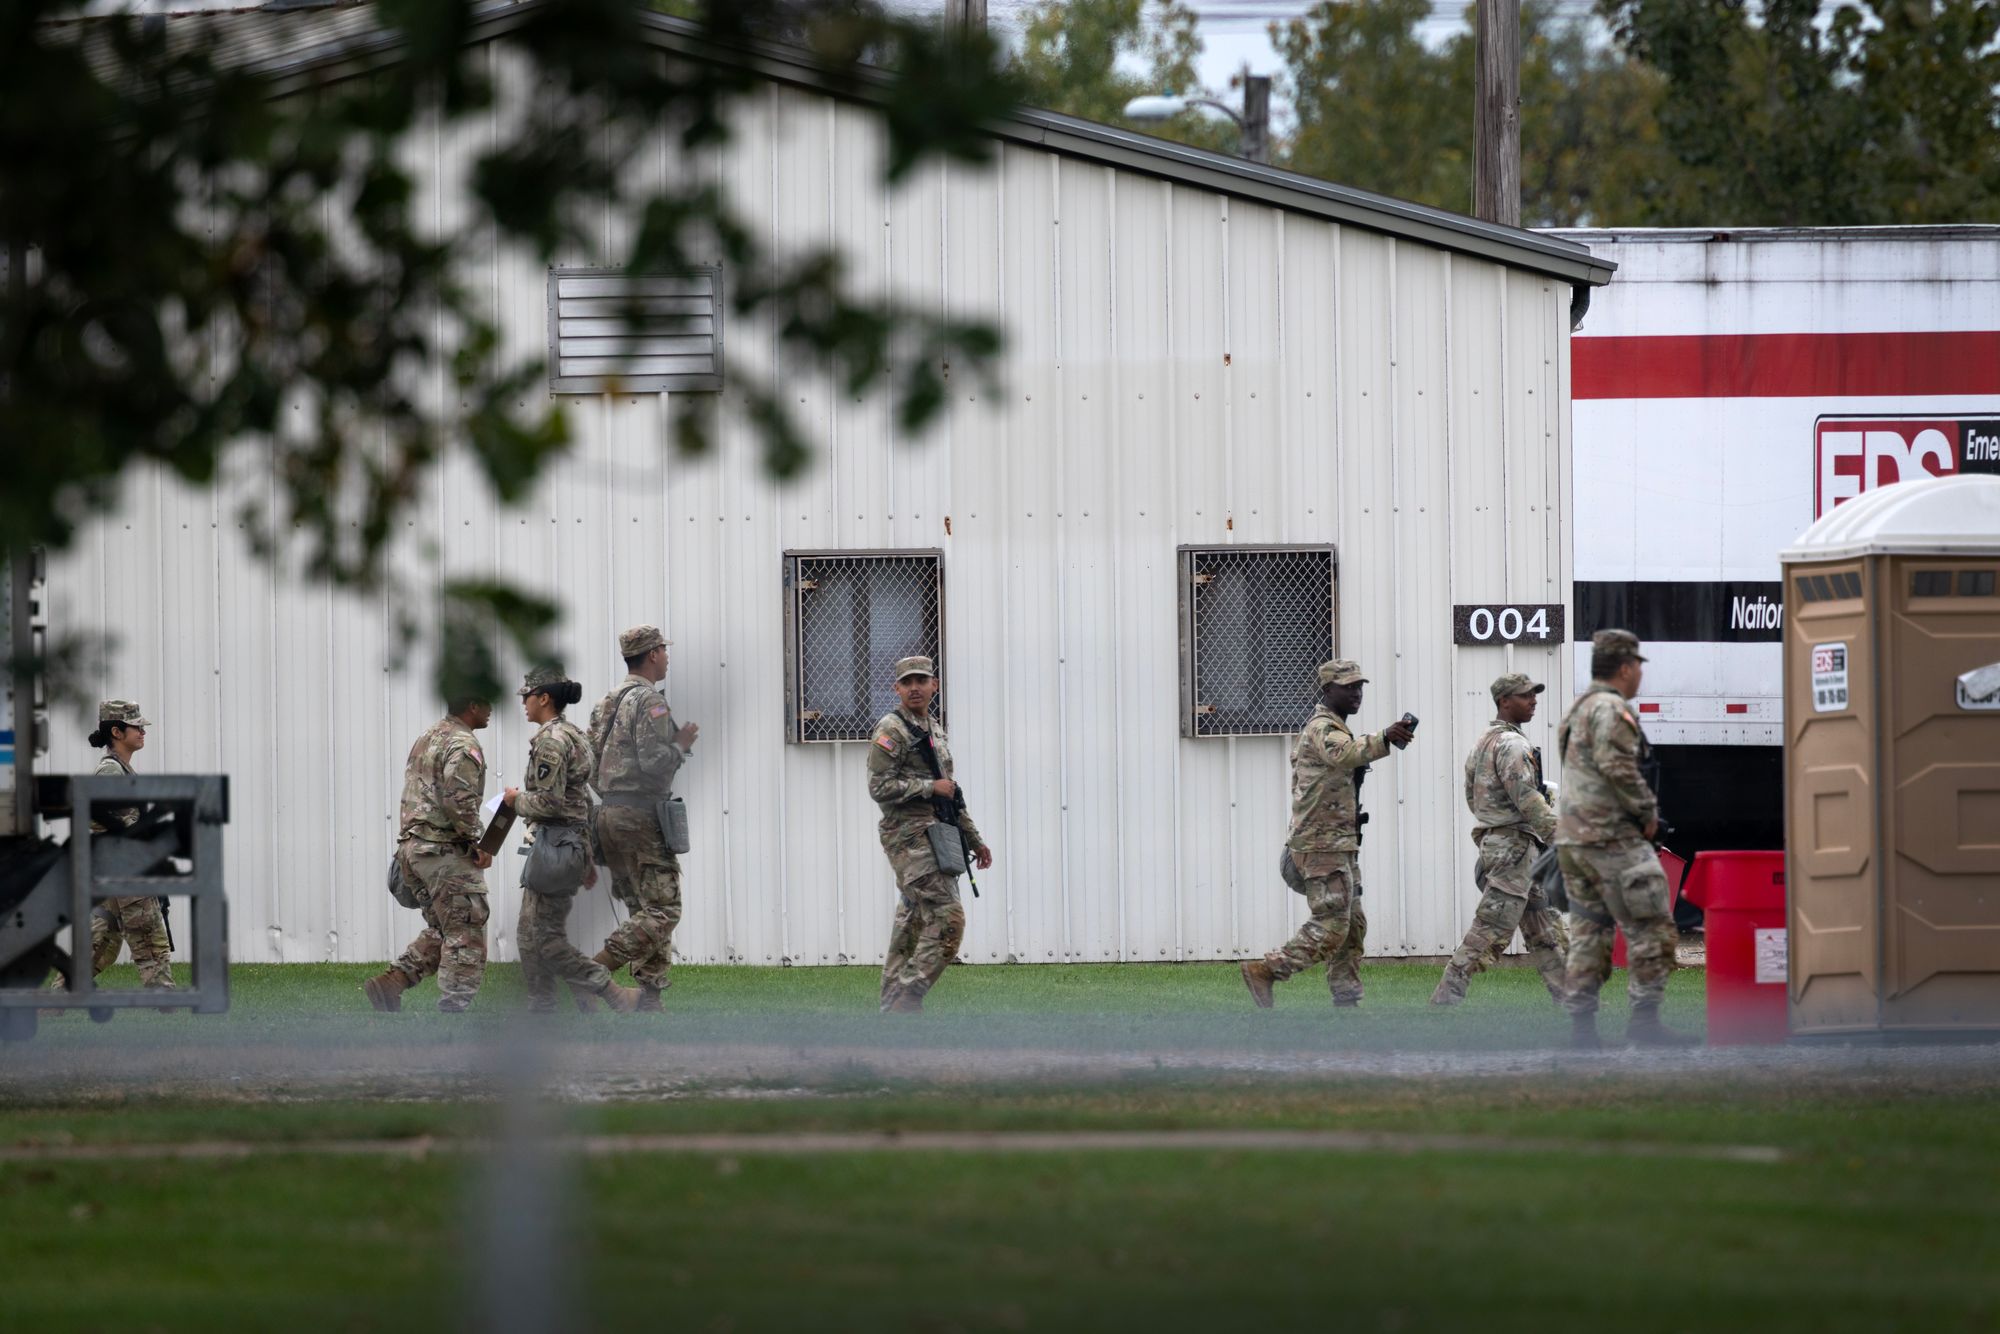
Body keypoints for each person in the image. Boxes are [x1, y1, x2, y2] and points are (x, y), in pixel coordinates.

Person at [1241, 660, 1415, 1009]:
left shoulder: (1336, 728)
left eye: (1359, 686)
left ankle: (1346, 999)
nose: (1356, 693)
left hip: (1339, 845)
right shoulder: (1322, 729)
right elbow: (1344, 754)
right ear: (1327, 690)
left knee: (1352, 926)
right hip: (1321, 846)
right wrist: (1384, 738)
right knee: (1333, 923)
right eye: (1348, 687)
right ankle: (1267, 970)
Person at [1555, 629, 1694, 1048]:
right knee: (1653, 926)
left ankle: (1582, 1032)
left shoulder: (1577, 710)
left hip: (1575, 842)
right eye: (1638, 668)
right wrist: (1647, 815)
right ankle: (1646, 1023)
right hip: (1611, 838)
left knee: (1588, 933)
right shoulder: (1612, 710)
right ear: (1626, 668)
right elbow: (1618, 769)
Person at [505, 666, 640, 1014]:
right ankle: (543, 1006)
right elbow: (583, 799)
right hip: (566, 846)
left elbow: (549, 802)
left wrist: (513, 801)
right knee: (529, 935)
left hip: (557, 847)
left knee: (545, 940)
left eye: (528, 696)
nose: (524, 703)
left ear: (544, 698)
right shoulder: (574, 734)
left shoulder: (552, 741)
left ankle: (609, 991)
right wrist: (588, 854)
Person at [1430, 672, 1568, 1007]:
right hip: (1514, 850)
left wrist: (1493, 828)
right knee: (1490, 930)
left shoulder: (1484, 742)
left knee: (1545, 928)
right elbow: (1528, 799)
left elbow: (1471, 796)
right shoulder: (1513, 744)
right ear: (1504, 701)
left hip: (1510, 845)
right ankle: (1444, 1001)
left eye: (1534, 694)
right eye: (1524, 695)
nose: (1533, 700)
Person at [867, 655, 991, 1014]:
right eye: (907, 682)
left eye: (921, 680)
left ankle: (893, 1010)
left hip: (936, 832)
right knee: (948, 916)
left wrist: (974, 839)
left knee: (912, 920)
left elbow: (950, 791)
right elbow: (879, 787)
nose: (915, 687)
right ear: (897, 689)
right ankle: (909, 994)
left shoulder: (933, 728)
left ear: (934, 685)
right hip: (907, 837)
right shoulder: (891, 729)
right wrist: (927, 787)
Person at [584, 625, 697, 1013]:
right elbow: (653, 765)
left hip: (608, 814)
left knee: (642, 908)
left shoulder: (606, 703)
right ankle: (593, 972)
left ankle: (650, 1000)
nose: (667, 656)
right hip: (641, 815)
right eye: (664, 650)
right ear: (652, 655)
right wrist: (680, 745)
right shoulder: (652, 703)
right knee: (664, 909)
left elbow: (587, 764)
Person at [363, 695, 494, 1013]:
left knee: (443, 928)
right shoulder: (464, 744)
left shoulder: (428, 736)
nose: (491, 709)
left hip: (413, 850)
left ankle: (392, 983)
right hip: (443, 851)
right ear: (472, 704)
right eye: (486, 702)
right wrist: (478, 843)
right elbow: (457, 799)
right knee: (466, 928)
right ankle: (453, 1012)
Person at [85, 700, 174, 990]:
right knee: (150, 941)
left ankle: (54, 1001)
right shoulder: (111, 772)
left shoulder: (121, 770)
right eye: (136, 726)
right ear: (117, 731)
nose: (142, 731)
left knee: (101, 944)